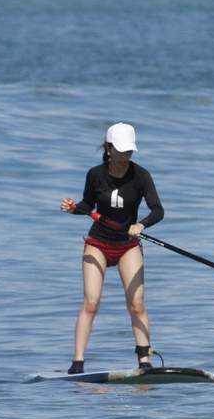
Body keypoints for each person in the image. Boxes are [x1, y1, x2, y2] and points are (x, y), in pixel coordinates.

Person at [59, 122, 164, 375]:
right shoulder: (95, 174)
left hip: (128, 246)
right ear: (108, 148)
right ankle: (77, 364)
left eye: (130, 150)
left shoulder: (141, 175)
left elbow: (158, 210)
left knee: (137, 304)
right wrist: (75, 209)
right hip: (98, 244)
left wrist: (141, 224)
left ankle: (144, 361)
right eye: (121, 149)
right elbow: (87, 205)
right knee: (92, 303)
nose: (127, 154)